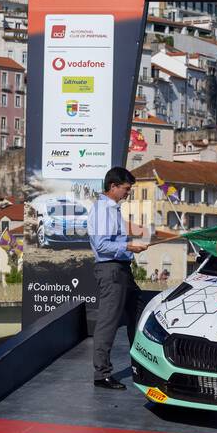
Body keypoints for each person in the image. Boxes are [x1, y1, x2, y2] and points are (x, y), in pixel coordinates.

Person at [89, 167, 148, 390]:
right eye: (126, 189)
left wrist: (129, 248)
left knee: (139, 312)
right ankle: (101, 374)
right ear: (113, 186)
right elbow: (102, 245)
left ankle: (140, 363)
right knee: (108, 322)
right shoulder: (103, 210)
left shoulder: (113, 209)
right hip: (111, 270)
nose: (128, 193)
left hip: (122, 269)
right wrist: (128, 246)